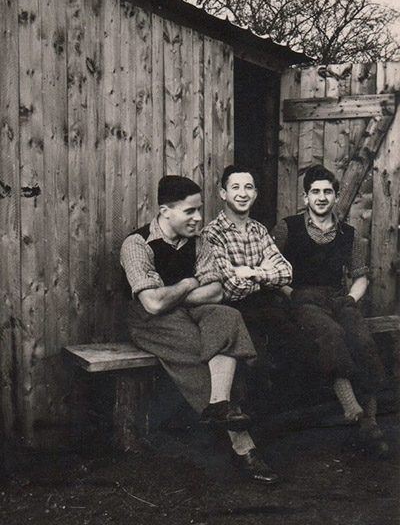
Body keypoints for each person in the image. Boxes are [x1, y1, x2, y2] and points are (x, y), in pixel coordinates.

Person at [120, 175, 280, 484]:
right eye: (190, 211)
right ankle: (244, 447)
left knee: (227, 316)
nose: (198, 218)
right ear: (165, 211)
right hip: (150, 323)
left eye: (199, 210)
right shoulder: (138, 244)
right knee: (199, 349)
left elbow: (216, 292)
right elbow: (151, 305)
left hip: (187, 311)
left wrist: (174, 292)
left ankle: (219, 405)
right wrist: (191, 282)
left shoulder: (200, 241)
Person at [272, 164, 387, 450]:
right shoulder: (287, 228)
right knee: (330, 334)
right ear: (305, 197)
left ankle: (370, 422)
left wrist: (351, 299)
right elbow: (270, 272)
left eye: (328, 192)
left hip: (338, 297)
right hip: (303, 298)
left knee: (362, 337)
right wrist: (292, 294)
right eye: (315, 192)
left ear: (336, 196)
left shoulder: (350, 234)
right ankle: (352, 408)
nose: (321, 197)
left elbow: (360, 278)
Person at [202, 164, 297, 410]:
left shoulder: (259, 230)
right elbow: (230, 288)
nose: (242, 194)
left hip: (266, 309)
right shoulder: (212, 234)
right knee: (256, 364)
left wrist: (251, 272)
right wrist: (266, 276)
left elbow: (286, 272)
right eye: (235, 187)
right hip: (235, 313)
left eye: (248, 188)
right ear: (223, 193)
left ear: (255, 194)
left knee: (298, 350)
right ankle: (243, 429)